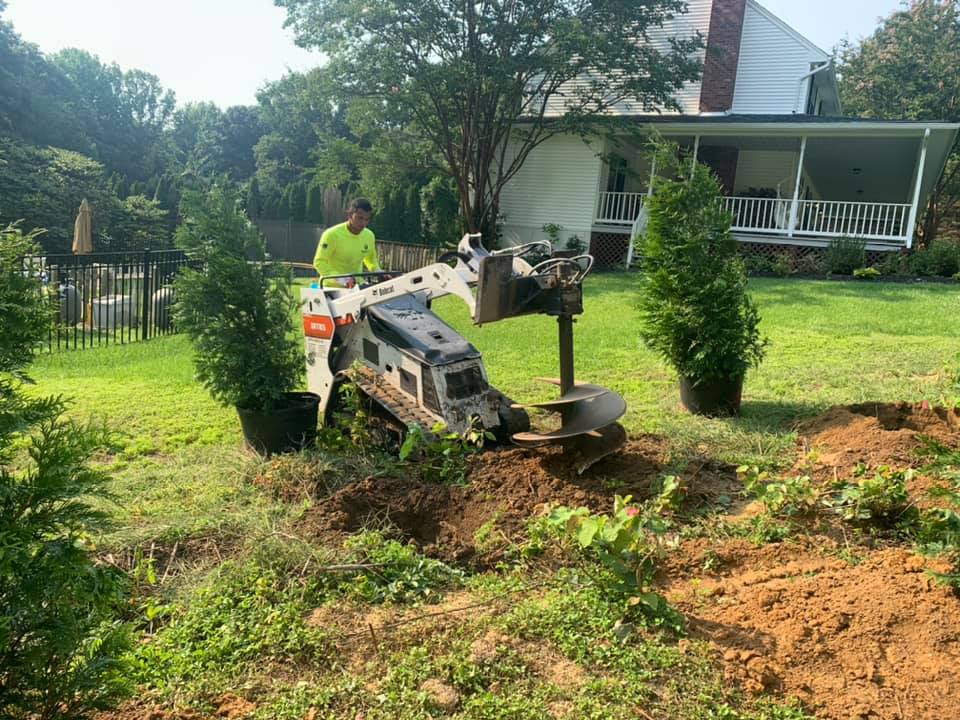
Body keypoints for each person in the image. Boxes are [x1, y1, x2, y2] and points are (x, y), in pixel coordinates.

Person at [313, 197, 381, 288]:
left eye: (367, 219)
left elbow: (370, 260)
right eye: (359, 218)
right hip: (331, 288)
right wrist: (342, 279)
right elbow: (319, 262)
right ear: (349, 215)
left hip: (357, 287)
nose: (363, 223)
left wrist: (379, 272)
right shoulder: (331, 234)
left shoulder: (369, 236)